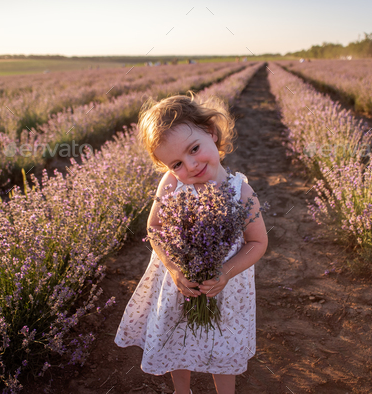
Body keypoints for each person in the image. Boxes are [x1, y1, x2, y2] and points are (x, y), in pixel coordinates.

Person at [114, 92, 268, 394]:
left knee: (223, 344)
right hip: (180, 284)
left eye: (194, 149)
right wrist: (173, 268)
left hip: (225, 287)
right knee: (176, 336)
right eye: (177, 163)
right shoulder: (172, 185)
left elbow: (258, 242)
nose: (191, 165)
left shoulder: (242, 193)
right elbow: (154, 228)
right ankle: (181, 390)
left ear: (212, 133)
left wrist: (225, 272)